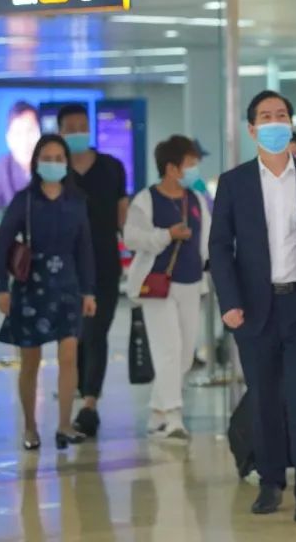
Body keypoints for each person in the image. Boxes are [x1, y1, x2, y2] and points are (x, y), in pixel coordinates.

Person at [209, 90, 296, 524]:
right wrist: (230, 302)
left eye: (282, 115)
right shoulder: (234, 183)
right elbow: (220, 248)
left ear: (291, 123)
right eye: (266, 117)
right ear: (252, 130)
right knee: (265, 399)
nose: (275, 122)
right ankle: (270, 481)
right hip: (254, 308)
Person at [0, 134, 96, 452]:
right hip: (30, 288)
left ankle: (64, 424)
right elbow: (2, 243)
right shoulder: (24, 200)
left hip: (67, 286)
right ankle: (30, 426)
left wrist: (88, 291)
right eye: (47, 158)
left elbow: (84, 248)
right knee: (30, 361)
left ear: (67, 162)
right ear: (37, 162)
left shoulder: (76, 201)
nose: (53, 164)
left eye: (59, 158)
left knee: (69, 355)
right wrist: (1, 287)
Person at [124, 135, 211, 442]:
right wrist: (166, 235)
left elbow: (207, 241)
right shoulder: (146, 200)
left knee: (185, 354)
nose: (195, 169)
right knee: (168, 350)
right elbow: (131, 237)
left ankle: (157, 412)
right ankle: (174, 417)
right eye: (190, 164)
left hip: (191, 283)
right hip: (157, 285)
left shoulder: (196, 199)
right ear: (172, 168)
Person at [56, 104, 129, 438]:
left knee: (97, 331)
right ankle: (81, 392)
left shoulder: (111, 167)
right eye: (70, 128)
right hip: (66, 267)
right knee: (75, 336)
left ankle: (89, 404)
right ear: (60, 132)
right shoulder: (57, 171)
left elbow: (122, 214)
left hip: (104, 263)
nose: (77, 132)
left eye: (82, 126)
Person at [0, 100, 42, 213]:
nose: (25, 141)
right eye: (18, 133)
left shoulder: (52, 163)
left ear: (41, 133)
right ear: (8, 139)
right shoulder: (3, 166)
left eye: (30, 131)